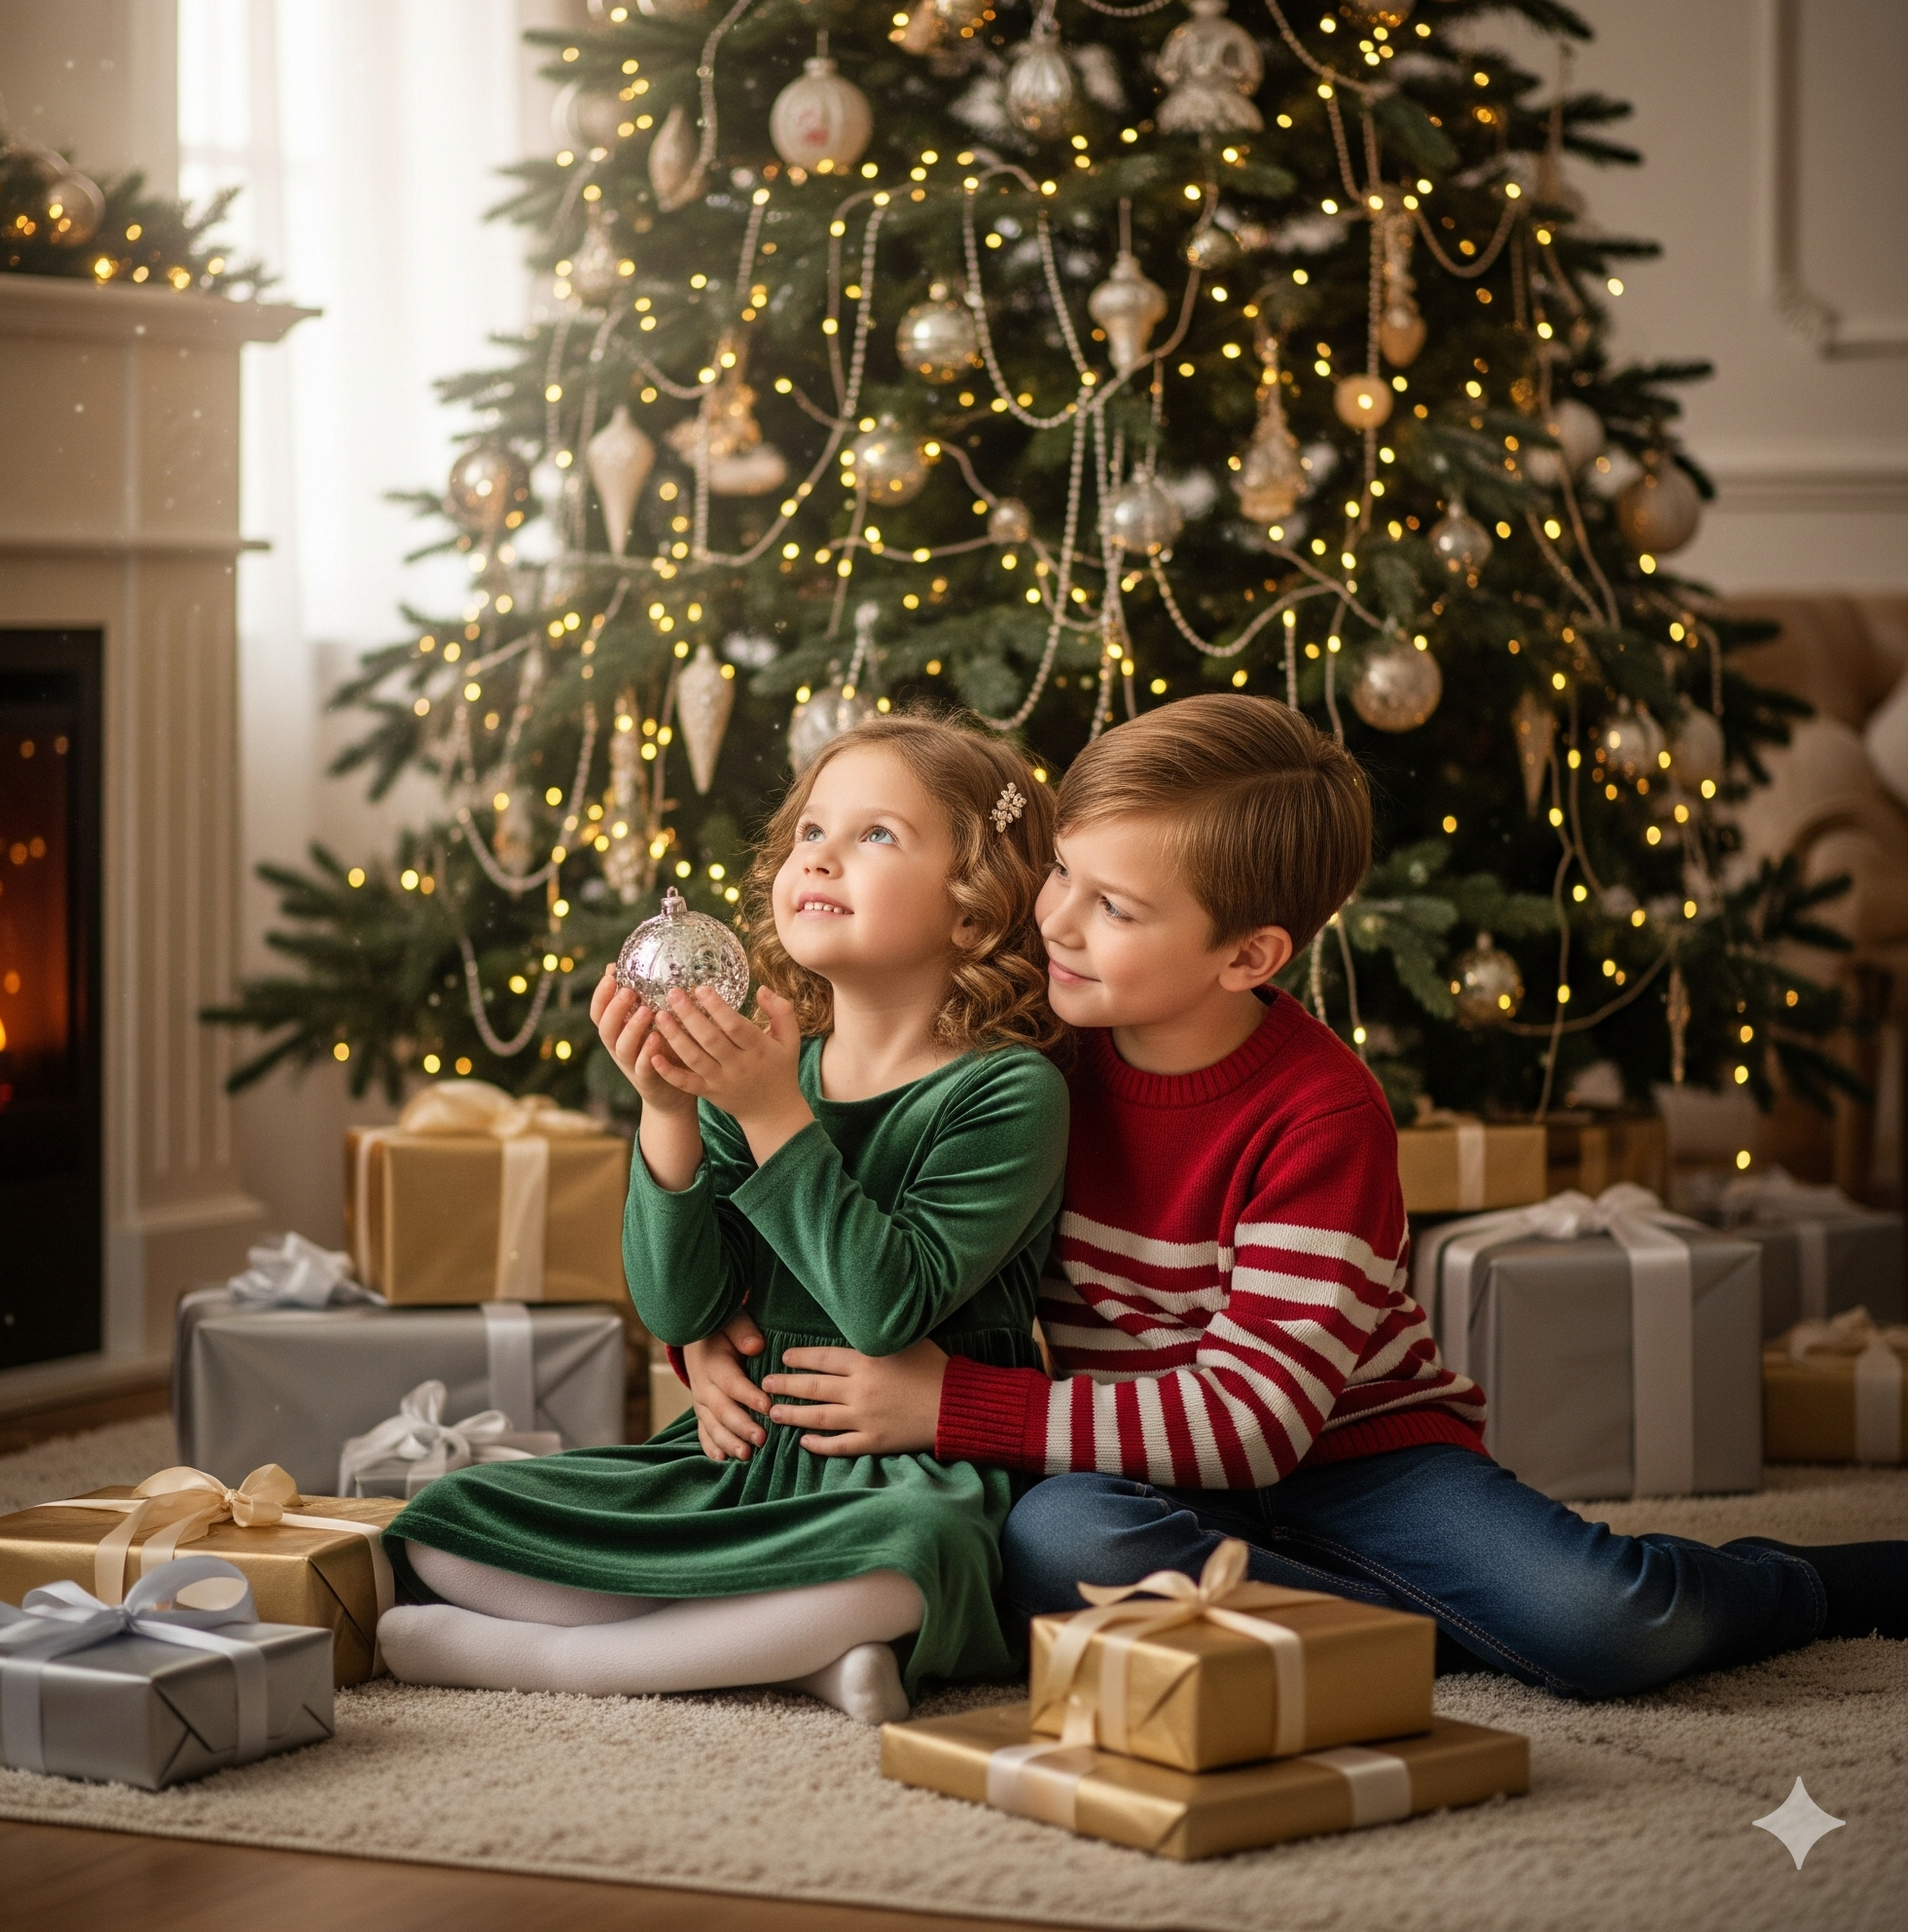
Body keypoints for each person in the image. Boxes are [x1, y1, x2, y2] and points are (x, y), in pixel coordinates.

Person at [683, 694, 1905, 1699]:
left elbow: (1252, 1425)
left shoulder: (1320, 1113)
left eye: (1112, 907)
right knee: (1059, 1541)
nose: (1051, 918)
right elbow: (864, 1219)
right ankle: (1427, 1631)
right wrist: (705, 1333)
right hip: (1140, 1480)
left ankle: (1796, 1582)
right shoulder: (1028, 1054)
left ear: (1247, 955)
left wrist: (958, 1405)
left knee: (1613, 1626)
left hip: (1359, 1454)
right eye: (1061, 870)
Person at [378, 715, 1068, 1724]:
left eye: (876, 835)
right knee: (443, 1519)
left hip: (914, 1468)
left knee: (910, 1558)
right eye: (809, 833)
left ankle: (575, 1663)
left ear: (971, 913)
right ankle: (802, 1661)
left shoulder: (1007, 1090)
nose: (821, 854)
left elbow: (885, 1306)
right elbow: (679, 1298)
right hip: (744, 1453)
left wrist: (770, 1114)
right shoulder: (756, 1068)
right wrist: (666, 1111)